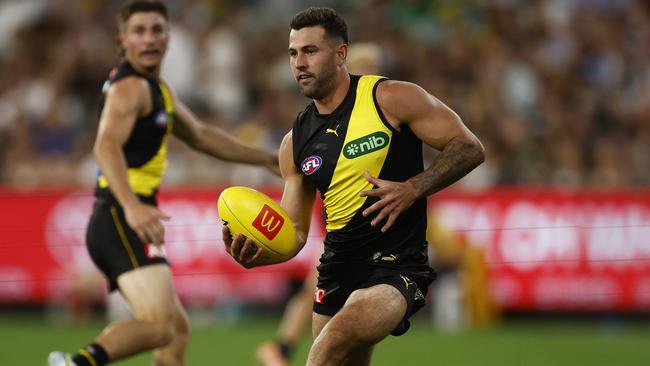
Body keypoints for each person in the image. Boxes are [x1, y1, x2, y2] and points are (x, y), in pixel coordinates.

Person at [225, 6, 485, 366]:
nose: (299, 62)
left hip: (396, 269)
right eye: (293, 53)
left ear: (341, 54)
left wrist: (413, 187)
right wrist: (258, 254)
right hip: (335, 271)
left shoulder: (391, 98)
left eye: (310, 51)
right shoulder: (294, 142)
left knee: (326, 350)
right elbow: (295, 232)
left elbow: (469, 148)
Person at [47, 1, 278, 366]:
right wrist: (133, 206)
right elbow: (105, 147)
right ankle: (75, 363)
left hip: (123, 217)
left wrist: (266, 159)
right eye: (139, 31)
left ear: (169, 36)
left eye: (157, 30)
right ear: (122, 39)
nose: (149, 39)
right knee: (159, 327)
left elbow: (201, 136)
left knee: (175, 331)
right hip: (121, 216)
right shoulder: (130, 88)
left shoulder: (158, 89)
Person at [255, 41, 384, 366]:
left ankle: (281, 349)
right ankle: (280, 349)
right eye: (366, 64)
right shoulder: (341, 118)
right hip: (341, 232)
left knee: (325, 300)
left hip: (354, 233)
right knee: (323, 297)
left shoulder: (379, 110)